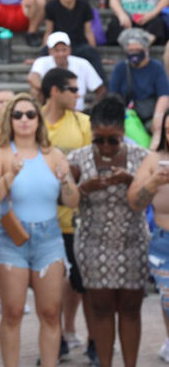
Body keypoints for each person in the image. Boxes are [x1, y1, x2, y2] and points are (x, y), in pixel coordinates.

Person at [0, 94, 79, 367]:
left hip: (49, 238)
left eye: (30, 115)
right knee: (12, 313)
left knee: (49, 312)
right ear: (9, 120)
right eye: (18, 115)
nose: (24, 120)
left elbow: (73, 201)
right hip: (11, 238)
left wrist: (66, 179)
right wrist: (9, 175)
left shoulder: (54, 154)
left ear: (39, 120)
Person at [68, 96, 148, 367]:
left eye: (112, 140)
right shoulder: (77, 158)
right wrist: (84, 188)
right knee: (101, 310)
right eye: (98, 140)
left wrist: (131, 180)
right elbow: (64, 199)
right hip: (93, 245)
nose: (105, 146)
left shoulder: (141, 157)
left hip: (133, 242)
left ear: (123, 132)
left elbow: (151, 195)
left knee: (130, 310)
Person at [38, 67, 96, 360]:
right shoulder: (31, 122)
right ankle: (56, 340)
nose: (78, 94)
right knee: (48, 288)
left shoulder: (84, 122)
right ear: (54, 92)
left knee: (84, 285)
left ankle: (94, 343)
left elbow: (91, 169)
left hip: (77, 219)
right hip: (44, 219)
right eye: (72, 89)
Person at [127, 106, 169, 363]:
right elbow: (134, 201)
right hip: (164, 242)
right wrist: (153, 182)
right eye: (167, 130)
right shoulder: (155, 160)